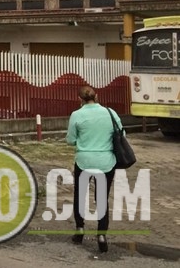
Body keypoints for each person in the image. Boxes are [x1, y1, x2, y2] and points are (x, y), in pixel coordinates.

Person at [66, 85, 121, 253]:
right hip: (106, 162)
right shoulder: (110, 113)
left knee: (80, 195)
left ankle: (80, 230)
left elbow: (70, 140)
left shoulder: (76, 115)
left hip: (84, 161)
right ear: (96, 96)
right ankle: (102, 235)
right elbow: (122, 135)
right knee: (102, 197)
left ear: (80, 99)